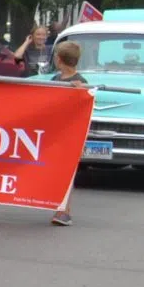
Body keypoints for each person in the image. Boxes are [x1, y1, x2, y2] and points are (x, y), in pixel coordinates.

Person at [50, 38, 87, 227]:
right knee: (55, 171)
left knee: (67, 172)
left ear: (59, 59)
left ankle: (64, 210)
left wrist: (80, 92)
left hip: (71, 133)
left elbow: (85, 107)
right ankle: (56, 204)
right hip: (55, 132)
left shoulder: (81, 82)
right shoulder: (55, 80)